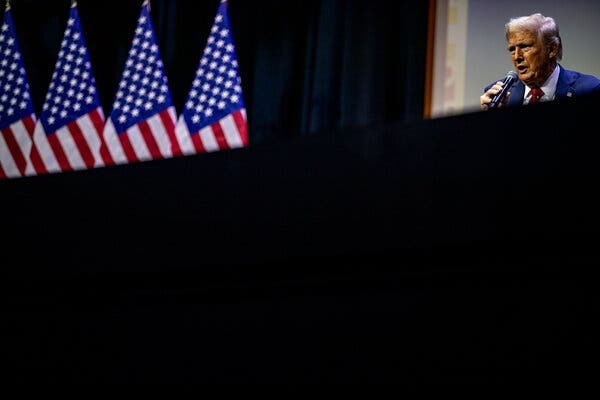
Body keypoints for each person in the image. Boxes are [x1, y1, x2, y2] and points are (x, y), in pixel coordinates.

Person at [480, 13, 600, 110]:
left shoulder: (590, 90)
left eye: (525, 46)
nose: (517, 56)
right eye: (512, 49)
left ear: (552, 49)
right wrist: (488, 120)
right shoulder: (497, 97)